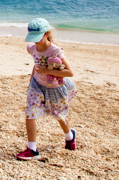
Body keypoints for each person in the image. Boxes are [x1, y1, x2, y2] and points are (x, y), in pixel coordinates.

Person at [16, 18, 77, 160]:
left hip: (54, 88)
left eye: (38, 37)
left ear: (47, 33)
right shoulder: (32, 48)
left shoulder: (55, 51)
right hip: (37, 85)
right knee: (30, 112)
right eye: (33, 38)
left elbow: (70, 72)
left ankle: (69, 136)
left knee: (58, 115)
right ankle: (32, 149)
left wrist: (46, 72)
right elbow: (36, 64)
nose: (36, 41)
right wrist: (31, 81)